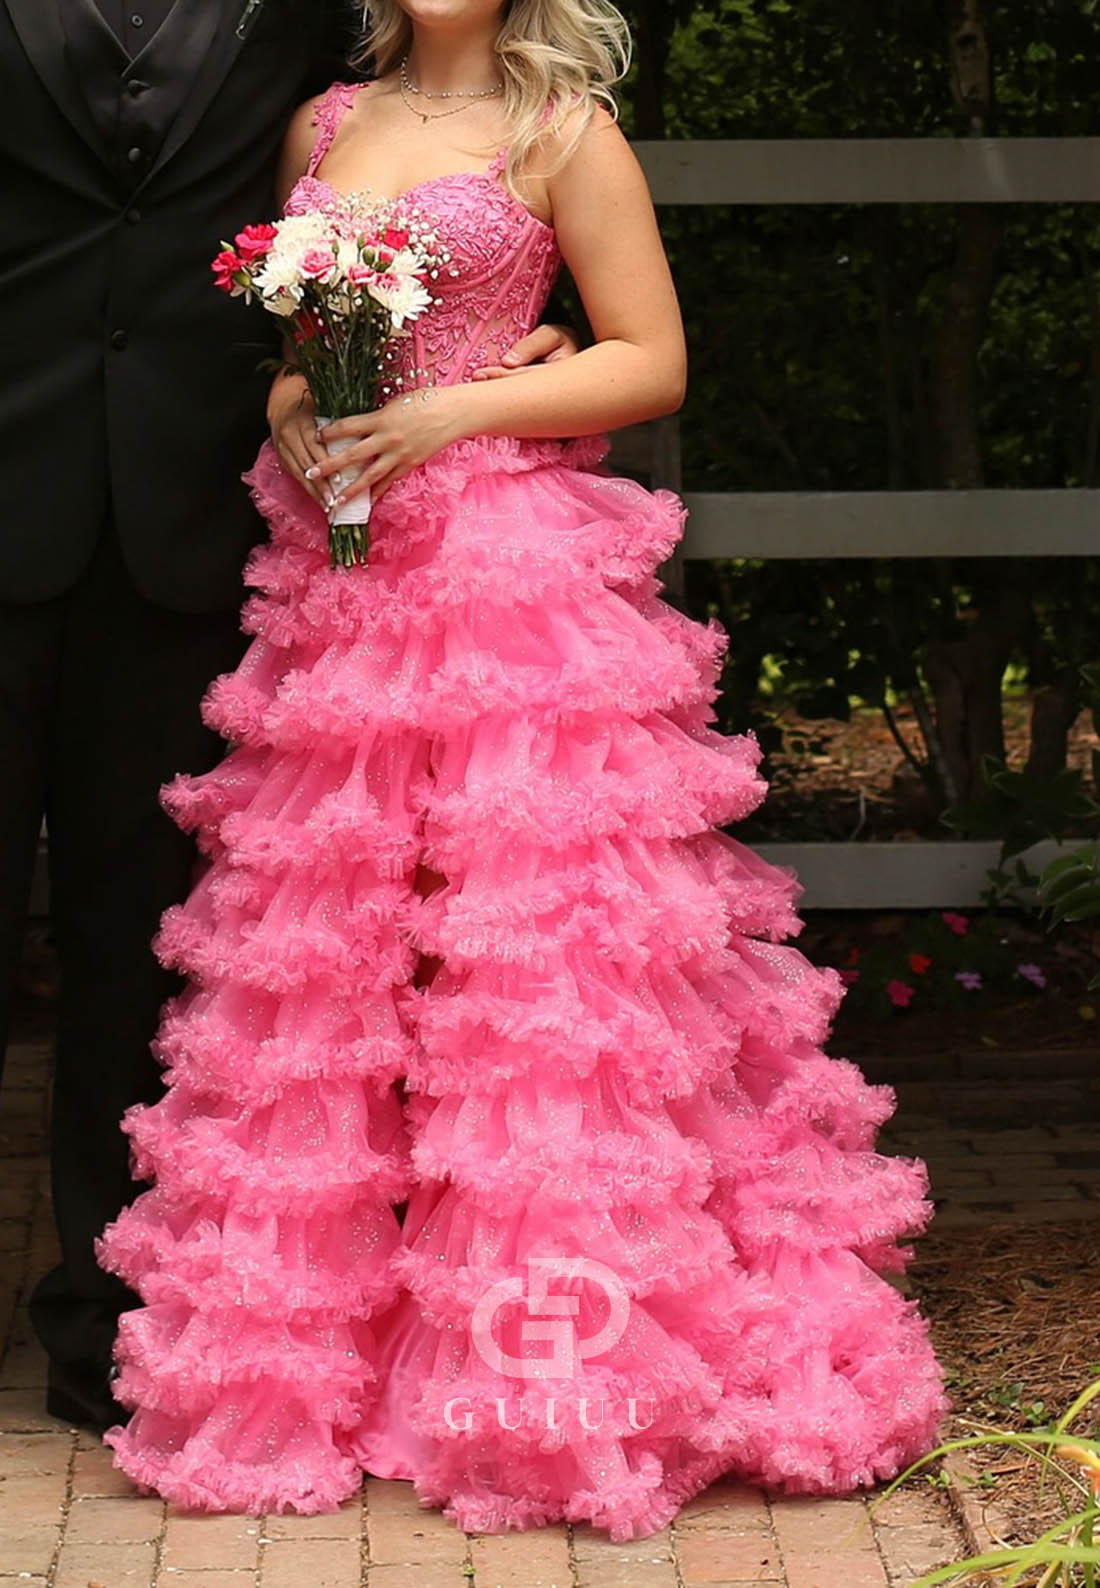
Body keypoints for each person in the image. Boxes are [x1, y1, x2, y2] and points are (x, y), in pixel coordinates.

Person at [96, 0, 948, 1541]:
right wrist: (301, 409)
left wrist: (455, 406)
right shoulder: (321, 124)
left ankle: (557, 1380)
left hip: (509, 582)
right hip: (351, 585)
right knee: (344, 973)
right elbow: (298, 356)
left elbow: (651, 360)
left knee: (535, 987)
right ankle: (334, 1364)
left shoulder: (566, 132)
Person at [0, 0, 574, 1435]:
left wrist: (529, 336)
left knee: (144, 945)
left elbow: (423, 162)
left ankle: (114, 1324)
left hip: (193, 525)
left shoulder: (315, 12)